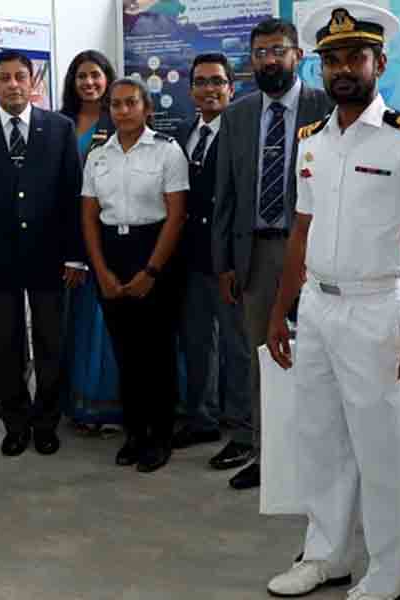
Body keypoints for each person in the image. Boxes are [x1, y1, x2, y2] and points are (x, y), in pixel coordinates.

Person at [265, 4, 400, 598]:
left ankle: (387, 571)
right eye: (332, 59)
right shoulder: (312, 141)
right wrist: (281, 308)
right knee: (320, 438)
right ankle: (326, 555)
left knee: (380, 450)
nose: (343, 68)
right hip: (318, 310)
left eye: (355, 56)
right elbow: (301, 229)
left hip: (378, 311)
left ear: (379, 62)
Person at [210, 18, 332, 490]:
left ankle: (321, 460)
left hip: (318, 252)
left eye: (278, 50)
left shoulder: (326, 107)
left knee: (322, 356)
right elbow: (226, 194)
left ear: (298, 55)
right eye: (259, 52)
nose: (268, 60)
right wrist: (223, 263)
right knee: (264, 356)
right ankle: (270, 456)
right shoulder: (238, 115)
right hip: (256, 254)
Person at [0, 50, 86, 457]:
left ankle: (47, 422)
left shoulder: (59, 128)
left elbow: (72, 194)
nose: (13, 84)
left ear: (33, 84)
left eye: (20, 77)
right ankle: (15, 422)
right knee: (5, 345)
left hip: (49, 258)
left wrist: (74, 255)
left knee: (51, 342)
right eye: (4, 78)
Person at [81, 77, 189, 472]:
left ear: (146, 108)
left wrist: (152, 271)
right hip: (112, 253)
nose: (123, 111)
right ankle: (134, 434)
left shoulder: (167, 151)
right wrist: (102, 271)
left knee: (157, 354)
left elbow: (176, 215)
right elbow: (89, 218)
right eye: (116, 104)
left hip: (154, 251)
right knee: (125, 354)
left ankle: (160, 437)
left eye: (130, 103)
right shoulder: (98, 157)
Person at [172, 54, 251, 453]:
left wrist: (236, 261)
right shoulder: (183, 133)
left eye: (217, 82)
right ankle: (201, 418)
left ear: (231, 88)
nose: (209, 89)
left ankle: (241, 429)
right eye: (201, 82)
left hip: (230, 264)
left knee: (236, 348)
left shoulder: (243, 134)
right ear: (190, 91)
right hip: (191, 261)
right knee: (197, 342)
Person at [59, 50, 121, 433]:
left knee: (109, 321)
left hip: (111, 233)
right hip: (70, 235)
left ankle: (112, 406)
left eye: (95, 76)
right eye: (81, 76)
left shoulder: (119, 119)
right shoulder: (58, 122)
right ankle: (80, 404)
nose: (89, 83)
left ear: (107, 78)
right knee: (75, 321)